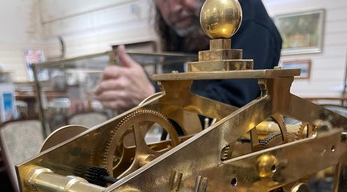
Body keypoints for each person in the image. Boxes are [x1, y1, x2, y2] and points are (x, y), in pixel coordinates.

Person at [93, 0, 282, 113]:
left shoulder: (243, 14)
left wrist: (153, 99)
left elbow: (233, 108)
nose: (175, 7)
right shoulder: (185, 27)